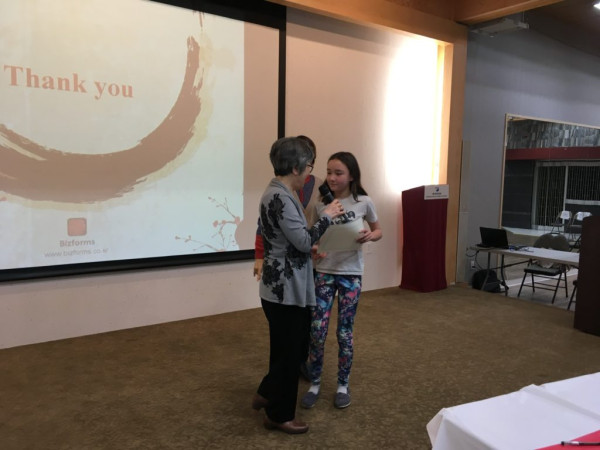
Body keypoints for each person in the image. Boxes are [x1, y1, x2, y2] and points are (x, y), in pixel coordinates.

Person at [252, 137, 344, 434]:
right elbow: (303, 240)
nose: (309, 174)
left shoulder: (279, 192)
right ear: (295, 167)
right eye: (309, 167)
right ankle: (279, 415)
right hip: (284, 288)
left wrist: (306, 248)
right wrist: (326, 218)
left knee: (286, 349)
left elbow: (290, 241)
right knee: (290, 353)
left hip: (282, 284)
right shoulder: (280, 196)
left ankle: (267, 393)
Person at [300, 151, 382, 410]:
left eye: (338, 173)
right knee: (317, 330)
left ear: (351, 176)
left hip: (351, 274)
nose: (332, 178)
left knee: (344, 333)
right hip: (324, 272)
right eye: (329, 172)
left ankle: (342, 385)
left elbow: (378, 230)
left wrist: (370, 236)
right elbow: (311, 235)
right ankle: (314, 383)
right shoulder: (319, 204)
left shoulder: (364, 202)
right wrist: (314, 249)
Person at [253, 135, 322, 280]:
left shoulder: (320, 185)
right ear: (296, 166)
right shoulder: (280, 195)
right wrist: (259, 256)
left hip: (313, 260)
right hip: (289, 268)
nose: (309, 168)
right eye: (307, 164)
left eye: (311, 164)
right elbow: (263, 225)